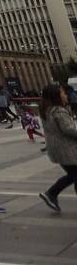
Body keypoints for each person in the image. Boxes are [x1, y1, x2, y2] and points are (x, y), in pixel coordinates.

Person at [37, 84, 77, 212]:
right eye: (62, 93)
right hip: (67, 149)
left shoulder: (46, 110)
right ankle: (51, 193)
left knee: (73, 174)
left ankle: (51, 193)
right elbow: (69, 129)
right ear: (56, 97)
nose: (65, 95)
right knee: (74, 174)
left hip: (56, 149)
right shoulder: (59, 111)